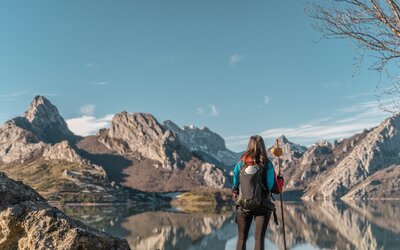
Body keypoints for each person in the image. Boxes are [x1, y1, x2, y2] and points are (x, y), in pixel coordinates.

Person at [232, 135, 284, 250]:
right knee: (259, 239)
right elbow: (272, 187)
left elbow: (235, 183)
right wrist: (280, 180)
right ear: (263, 146)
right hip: (263, 205)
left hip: (244, 205)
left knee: (241, 238)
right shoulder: (267, 164)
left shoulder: (241, 163)